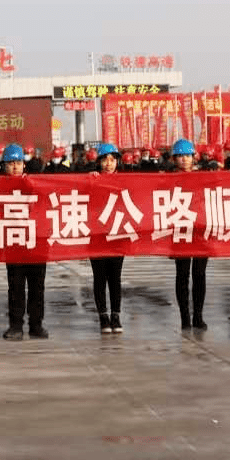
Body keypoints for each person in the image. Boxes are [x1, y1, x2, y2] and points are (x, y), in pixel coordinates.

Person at [1, 143, 48, 341]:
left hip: (37, 242)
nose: (15, 167)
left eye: (18, 162)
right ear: (4, 165)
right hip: (13, 243)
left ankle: (36, 325)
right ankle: (16, 326)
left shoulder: (35, 183)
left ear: (23, 164)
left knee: (37, 287)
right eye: (11, 163)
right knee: (16, 287)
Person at [170, 138, 208, 331]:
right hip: (180, 231)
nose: (184, 160)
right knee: (182, 274)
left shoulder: (204, 177)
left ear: (194, 158)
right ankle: (185, 316)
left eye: (187, 156)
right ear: (174, 159)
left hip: (200, 231)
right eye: (180, 156)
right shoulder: (166, 179)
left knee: (199, 274)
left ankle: (198, 315)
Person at [89, 143, 124, 333]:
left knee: (115, 278)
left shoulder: (124, 182)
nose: (109, 164)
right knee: (99, 278)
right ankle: (103, 316)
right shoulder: (92, 180)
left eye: (112, 160)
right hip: (97, 236)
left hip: (117, 234)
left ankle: (116, 316)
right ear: (99, 162)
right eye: (105, 160)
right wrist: (90, 182)